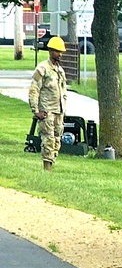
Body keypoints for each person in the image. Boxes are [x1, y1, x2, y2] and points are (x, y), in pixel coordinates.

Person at [28, 36, 68, 171]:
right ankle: (47, 170)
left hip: (58, 112)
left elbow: (63, 92)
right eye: (58, 51)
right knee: (48, 141)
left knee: (57, 141)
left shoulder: (60, 71)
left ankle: (51, 166)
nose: (60, 54)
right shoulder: (42, 69)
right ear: (50, 51)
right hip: (47, 112)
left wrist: (64, 109)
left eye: (61, 51)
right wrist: (36, 110)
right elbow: (34, 90)